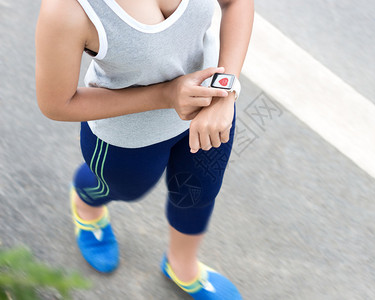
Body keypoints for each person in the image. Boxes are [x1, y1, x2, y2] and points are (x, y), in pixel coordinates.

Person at [35, 0, 253, 298]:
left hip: (210, 110)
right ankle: (86, 201)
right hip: (127, 134)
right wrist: (167, 95)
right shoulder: (66, 9)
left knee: (199, 191)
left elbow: (236, 3)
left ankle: (182, 265)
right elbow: (57, 104)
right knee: (125, 189)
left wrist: (225, 92)